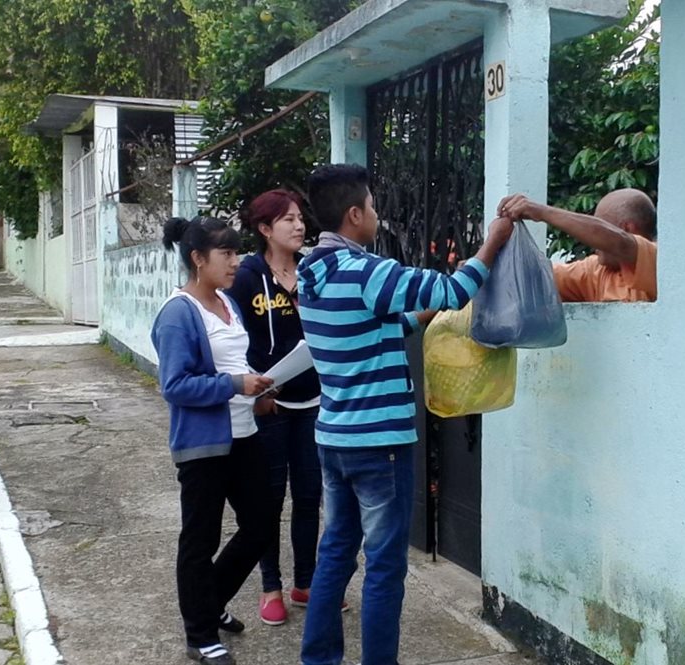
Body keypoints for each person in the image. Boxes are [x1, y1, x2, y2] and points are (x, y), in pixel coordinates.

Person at [296, 164, 513, 665]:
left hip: (334, 439)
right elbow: (455, 291)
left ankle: (319, 659)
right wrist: (493, 242)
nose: (377, 214)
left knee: (335, 554)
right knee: (385, 568)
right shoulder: (369, 271)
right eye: (372, 206)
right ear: (354, 215)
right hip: (379, 445)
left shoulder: (313, 273)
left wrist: (425, 313)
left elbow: (385, 328)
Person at [151, 216, 274, 665]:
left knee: (260, 526)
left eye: (237, 252)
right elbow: (175, 385)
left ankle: (210, 600)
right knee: (199, 539)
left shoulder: (227, 303)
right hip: (204, 446)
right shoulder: (178, 313)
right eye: (226, 253)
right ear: (197, 259)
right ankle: (200, 634)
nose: (236, 262)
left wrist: (258, 393)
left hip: (245, 434)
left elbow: (237, 363)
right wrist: (234, 386)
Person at [225, 189, 345, 626]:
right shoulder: (246, 276)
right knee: (270, 498)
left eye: (300, 218)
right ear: (263, 229)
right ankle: (270, 586)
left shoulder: (312, 270)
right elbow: (235, 340)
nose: (299, 226)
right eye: (288, 220)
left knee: (310, 495)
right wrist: (256, 392)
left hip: (314, 398)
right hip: (270, 403)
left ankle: (306, 584)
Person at [498, 189, 658, 302]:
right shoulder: (596, 270)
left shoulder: (657, 261)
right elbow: (536, 276)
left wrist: (542, 212)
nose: (590, 241)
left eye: (602, 225)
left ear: (626, 229)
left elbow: (619, 243)